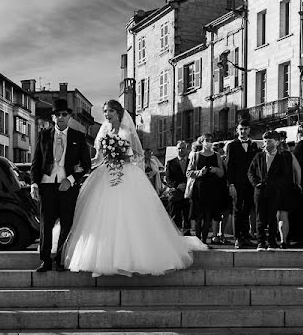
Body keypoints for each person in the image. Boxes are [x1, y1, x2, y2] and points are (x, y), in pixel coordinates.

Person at [62, 100, 207, 277]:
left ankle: (130, 258)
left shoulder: (127, 131)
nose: (107, 115)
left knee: (129, 214)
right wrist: (84, 165)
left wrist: (121, 157)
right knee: (104, 214)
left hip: (126, 173)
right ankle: (104, 257)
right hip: (106, 173)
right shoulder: (103, 131)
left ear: (118, 113)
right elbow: (99, 158)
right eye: (105, 112)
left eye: (110, 112)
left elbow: (136, 154)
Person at [30, 98, 93, 273]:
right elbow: (36, 163)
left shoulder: (78, 137)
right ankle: (45, 260)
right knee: (46, 224)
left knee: (66, 224)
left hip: (68, 187)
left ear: (69, 116)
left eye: (64, 114)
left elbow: (85, 165)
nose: (61, 117)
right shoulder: (44, 135)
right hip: (46, 186)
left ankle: (60, 259)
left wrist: (71, 179)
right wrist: (34, 184)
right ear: (53, 118)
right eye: (57, 115)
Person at [248, 130, 301, 250]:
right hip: (260, 190)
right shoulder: (259, 156)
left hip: (274, 190)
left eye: (269, 141)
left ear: (276, 143)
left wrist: (275, 184)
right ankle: (261, 241)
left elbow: (285, 174)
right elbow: (250, 172)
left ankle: (272, 241)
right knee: (260, 217)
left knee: (273, 217)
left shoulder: (281, 157)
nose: (266, 144)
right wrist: (256, 183)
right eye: (265, 141)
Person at [186, 133, 229, 244]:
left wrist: (215, 169)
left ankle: (204, 241)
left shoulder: (216, 156)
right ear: (202, 141)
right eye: (206, 140)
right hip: (199, 189)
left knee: (208, 216)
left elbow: (222, 173)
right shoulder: (195, 155)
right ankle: (198, 241)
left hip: (212, 189)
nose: (208, 142)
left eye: (210, 140)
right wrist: (200, 172)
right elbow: (188, 172)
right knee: (198, 217)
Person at [225, 119, 259, 248]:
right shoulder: (232, 146)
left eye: (245, 129)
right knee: (238, 209)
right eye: (241, 129)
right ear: (237, 130)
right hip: (237, 183)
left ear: (249, 130)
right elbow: (229, 166)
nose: (243, 131)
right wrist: (231, 184)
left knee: (247, 209)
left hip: (250, 184)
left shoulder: (253, 145)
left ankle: (245, 236)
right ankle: (238, 238)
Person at [163, 140, 193, 235]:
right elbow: (168, 179)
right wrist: (178, 185)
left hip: (188, 193)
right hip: (176, 194)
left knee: (187, 216)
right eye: (179, 148)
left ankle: (187, 234)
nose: (181, 150)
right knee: (175, 218)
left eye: (183, 148)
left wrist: (187, 185)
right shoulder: (171, 163)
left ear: (187, 149)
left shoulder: (191, 162)